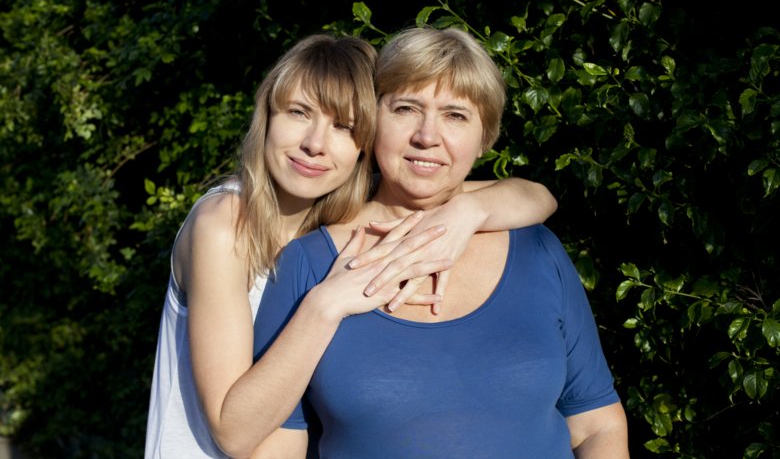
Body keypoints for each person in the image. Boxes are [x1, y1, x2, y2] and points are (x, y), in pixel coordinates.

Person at [144, 33, 558, 458]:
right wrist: (325, 305)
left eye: (343, 126)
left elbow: (535, 196)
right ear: (266, 115)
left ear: (367, 142)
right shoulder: (225, 224)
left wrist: (469, 213)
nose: (315, 144)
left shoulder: (346, 212)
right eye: (299, 113)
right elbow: (233, 432)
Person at [253, 27, 629, 458]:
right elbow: (275, 442)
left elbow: (596, 424)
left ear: (484, 137)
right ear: (372, 120)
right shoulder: (308, 262)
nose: (427, 136)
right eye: (407, 108)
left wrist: (471, 212)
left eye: (455, 115)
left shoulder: (537, 251)